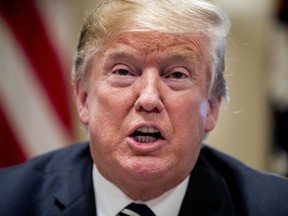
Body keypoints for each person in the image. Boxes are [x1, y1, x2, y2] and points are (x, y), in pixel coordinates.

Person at [1, 0, 288, 215]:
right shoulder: (9, 200)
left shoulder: (275, 206)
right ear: (83, 98)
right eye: (124, 72)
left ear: (211, 108)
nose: (149, 99)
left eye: (176, 75)